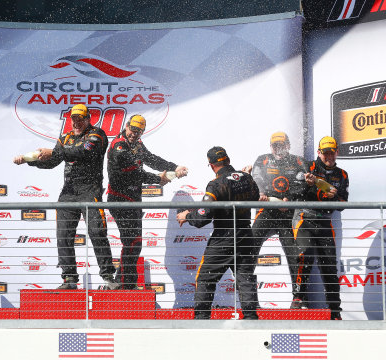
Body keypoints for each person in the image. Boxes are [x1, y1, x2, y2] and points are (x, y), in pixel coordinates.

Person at [13, 104, 116, 289]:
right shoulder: (65, 138)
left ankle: (108, 276)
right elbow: (52, 162)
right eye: (73, 118)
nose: (76, 122)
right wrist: (29, 161)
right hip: (68, 193)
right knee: (63, 235)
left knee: (97, 232)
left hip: (90, 191)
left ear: (88, 119)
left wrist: (53, 152)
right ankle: (69, 278)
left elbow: (85, 151)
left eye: (80, 118)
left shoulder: (97, 134)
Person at [176, 147, 260, 320]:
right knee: (245, 278)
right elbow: (255, 196)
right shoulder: (247, 177)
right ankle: (251, 318)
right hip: (245, 234)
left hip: (224, 237)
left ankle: (201, 320)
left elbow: (202, 217)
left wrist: (187, 216)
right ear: (228, 160)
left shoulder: (216, 184)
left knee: (205, 278)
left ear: (211, 165)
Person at [107, 114, 187, 289]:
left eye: (138, 131)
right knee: (132, 241)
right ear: (126, 126)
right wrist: (157, 179)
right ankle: (127, 284)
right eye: (132, 129)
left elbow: (151, 159)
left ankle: (122, 282)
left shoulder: (137, 143)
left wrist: (174, 167)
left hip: (133, 200)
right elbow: (134, 173)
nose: (134, 134)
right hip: (119, 199)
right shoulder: (119, 145)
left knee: (133, 241)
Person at [291, 136, 348, 320]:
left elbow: (341, 204)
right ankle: (297, 299)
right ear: (319, 153)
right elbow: (293, 193)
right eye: (325, 153)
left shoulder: (342, 174)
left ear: (337, 152)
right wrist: (306, 185)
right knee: (304, 254)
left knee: (330, 266)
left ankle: (335, 311)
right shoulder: (308, 167)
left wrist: (333, 197)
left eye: (332, 153)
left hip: (325, 221)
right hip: (304, 218)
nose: (329, 157)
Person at [250, 132, 308, 299]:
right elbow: (256, 178)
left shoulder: (297, 161)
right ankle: (249, 299)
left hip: (288, 213)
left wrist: (289, 198)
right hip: (267, 211)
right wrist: (260, 192)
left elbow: (305, 184)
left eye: (281, 144)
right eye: (275, 145)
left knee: (294, 254)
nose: (278, 148)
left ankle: (298, 298)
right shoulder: (264, 159)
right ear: (271, 146)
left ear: (288, 145)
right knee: (249, 247)